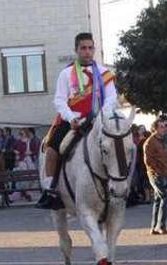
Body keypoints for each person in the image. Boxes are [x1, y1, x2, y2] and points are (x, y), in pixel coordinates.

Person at [37, 32, 118, 209]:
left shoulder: (105, 73)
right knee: (51, 151)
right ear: (76, 50)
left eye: (90, 48)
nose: (87, 52)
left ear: (94, 49)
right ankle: (51, 191)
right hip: (72, 121)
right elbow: (59, 100)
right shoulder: (66, 74)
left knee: (118, 146)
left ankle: (122, 188)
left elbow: (112, 98)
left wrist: (101, 115)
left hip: (98, 120)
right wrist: (71, 117)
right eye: (83, 48)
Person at [144, 119, 167, 234]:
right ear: (155, 128)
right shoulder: (150, 142)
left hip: (164, 173)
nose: (164, 128)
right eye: (161, 126)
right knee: (164, 197)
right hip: (155, 174)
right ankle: (161, 226)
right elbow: (148, 161)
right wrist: (157, 172)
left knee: (157, 199)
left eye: (165, 126)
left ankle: (154, 227)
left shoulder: (162, 141)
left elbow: (165, 158)